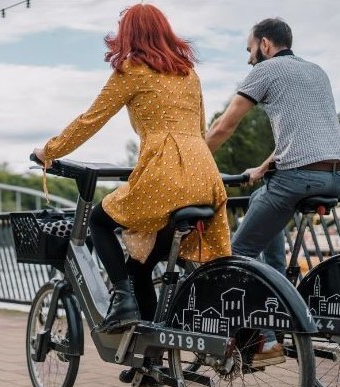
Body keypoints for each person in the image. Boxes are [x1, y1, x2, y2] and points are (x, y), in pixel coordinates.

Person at [33, 3, 231, 336]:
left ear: (128, 35)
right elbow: (198, 126)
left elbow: (90, 120)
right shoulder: (188, 72)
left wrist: (49, 151)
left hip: (164, 174)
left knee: (98, 220)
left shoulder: (132, 69)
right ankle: (151, 361)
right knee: (141, 265)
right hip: (204, 175)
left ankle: (121, 300)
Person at [205, 18, 340, 365]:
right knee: (260, 203)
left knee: (238, 255)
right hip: (332, 178)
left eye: (250, 50)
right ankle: (279, 292)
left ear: (265, 45)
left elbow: (224, 125)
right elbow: (308, 135)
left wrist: (192, 161)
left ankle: (265, 340)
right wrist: (265, 167)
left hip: (296, 179)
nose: (249, 59)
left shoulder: (265, 71)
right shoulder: (316, 71)